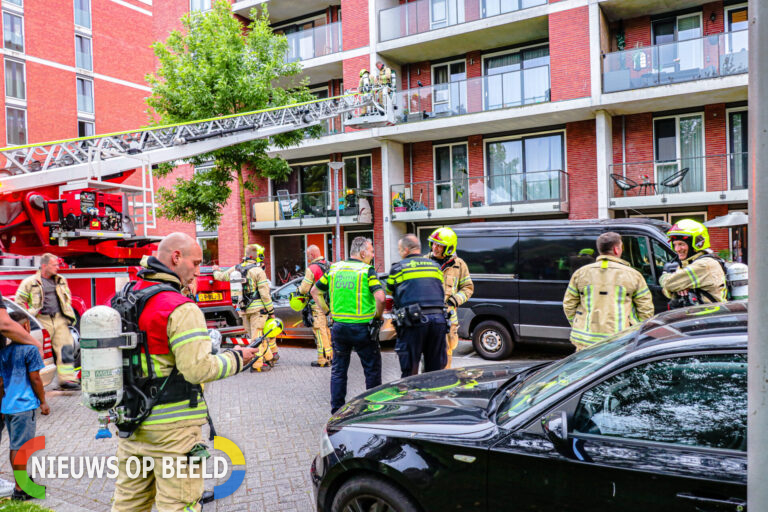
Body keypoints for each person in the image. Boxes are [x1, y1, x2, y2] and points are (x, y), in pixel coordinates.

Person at [111, 233, 258, 512]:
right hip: (173, 434)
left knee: (128, 505)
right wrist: (237, 358)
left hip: (131, 425)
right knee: (178, 505)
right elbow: (197, 369)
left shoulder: (125, 297)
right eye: (196, 262)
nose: (199, 270)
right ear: (176, 257)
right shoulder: (179, 307)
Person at [313, 237, 385, 414]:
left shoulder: (334, 269)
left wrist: (328, 312)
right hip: (363, 329)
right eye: (371, 251)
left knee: (339, 370)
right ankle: (373, 409)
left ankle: (337, 410)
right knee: (371, 370)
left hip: (339, 328)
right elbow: (381, 298)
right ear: (362, 253)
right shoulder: (366, 270)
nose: (373, 254)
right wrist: (377, 317)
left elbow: (315, 291)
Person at [563, 232, 654, 351]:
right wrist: (636, 331)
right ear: (616, 249)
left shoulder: (580, 273)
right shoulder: (633, 275)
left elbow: (568, 305)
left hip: (585, 342)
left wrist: (578, 324)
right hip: (619, 341)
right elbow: (646, 310)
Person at [0, 310, 50, 501]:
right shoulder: (30, 350)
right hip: (24, 406)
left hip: (8, 407)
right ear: (27, 327)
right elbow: (36, 378)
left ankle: (23, 483)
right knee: (22, 448)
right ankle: (21, 489)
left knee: (15, 446)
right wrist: (43, 402)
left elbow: (0, 383)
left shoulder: (3, 352)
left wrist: (2, 405)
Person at [15, 253, 80, 390]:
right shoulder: (30, 282)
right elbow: (19, 302)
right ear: (44, 266)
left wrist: (67, 315)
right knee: (40, 351)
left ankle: (67, 380)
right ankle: (37, 380)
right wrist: (27, 317)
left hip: (59, 319)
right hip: (41, 319)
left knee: (66, 349)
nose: (57, 267)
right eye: (54, 265)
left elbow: (67, 298)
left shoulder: (61, 280)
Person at [387, 234, 447, 377]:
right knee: (435, 371)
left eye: (400, 250)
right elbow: (441, 291)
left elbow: (389, 294)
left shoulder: (398, 268)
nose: (400, 253)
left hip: (413, 322)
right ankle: (432, 396)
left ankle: (411, 397)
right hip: (439, 321)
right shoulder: (436, 267)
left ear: (406, 250)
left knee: (410, 371)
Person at [213, 244, 277, 371]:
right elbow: (265, 294)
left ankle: (269, 358)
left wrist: (215, 270)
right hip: (258, 310)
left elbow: (221, 277)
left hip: (243, 309)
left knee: (257, 336)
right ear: (255, 256)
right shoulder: (258, 271)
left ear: (246, 255)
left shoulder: (235, 269)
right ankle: (257, 365)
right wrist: (271, 311)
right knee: (257, 337)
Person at [427, 227, 473, 369]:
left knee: (446, 356)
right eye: (433, 243)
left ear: (449, 247)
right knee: (427, 355)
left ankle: (445, 385)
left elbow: (468, 288)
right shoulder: (424, 262)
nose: (435, 247)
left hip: (448, 320)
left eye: (439, 245)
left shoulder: (459, 264)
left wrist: (455, 299)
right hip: (428, 317)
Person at [659, 219, 727, 307]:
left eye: (681, 244)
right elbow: (667, 291)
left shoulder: (703, 265)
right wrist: (677, 289)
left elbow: (668, 284)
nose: (677, 249)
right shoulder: (689, 263)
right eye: (675, 244)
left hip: (709, 315)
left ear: (697, 243)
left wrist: (665, 277)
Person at [297, 245, 332, 367]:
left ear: (312, 255)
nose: (307, 259)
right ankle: (330, 356)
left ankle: (323, 360)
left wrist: (299, 289)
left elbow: (304, 289)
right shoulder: (330, 265)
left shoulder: (312, 268)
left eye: (307, 256)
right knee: (327, 330)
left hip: (317, 304)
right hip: (330, 305)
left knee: (320, 331)